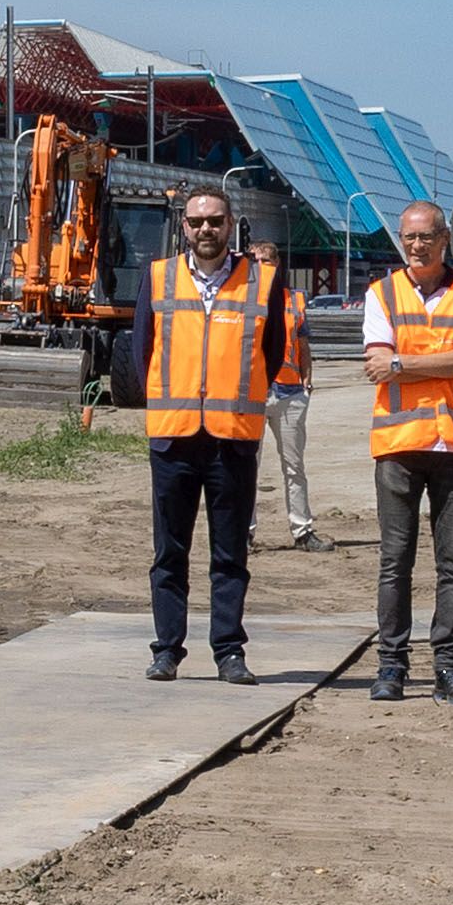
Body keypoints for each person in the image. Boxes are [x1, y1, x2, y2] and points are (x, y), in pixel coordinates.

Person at [123, 185, 297, 687]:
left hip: (232, 439)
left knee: (229, 555)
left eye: (215, 221)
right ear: (184, 226)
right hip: (173, 438)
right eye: (197, 221)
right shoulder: (159, 277)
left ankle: (229, 653)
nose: (206, 230)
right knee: (169, 553)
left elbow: (272, 349)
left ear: (231, 225)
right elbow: (142, 350)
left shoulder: (262, 281)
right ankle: (167, 651)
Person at [361, 198, 453, 705]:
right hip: (398, 445)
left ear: (444, 241)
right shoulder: (381, 294)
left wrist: (404, 364)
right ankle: (391, 667)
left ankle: (449, 669)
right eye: (408, 237)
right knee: (394, 562)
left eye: (425, 237)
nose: (416, 246)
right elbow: (379, 363)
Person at [266, 266, 320, 552]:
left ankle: (302, 530)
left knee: (294, 466)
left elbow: (302, 343)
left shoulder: (294, 301)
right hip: (253, 393)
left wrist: (307, 380)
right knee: (244, 468)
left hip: (289, 392)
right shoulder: (242, 299)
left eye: (268, 263)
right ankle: (243, 533)